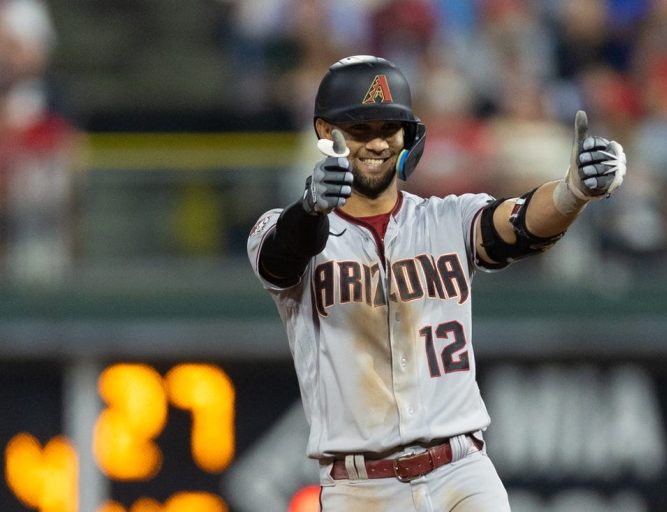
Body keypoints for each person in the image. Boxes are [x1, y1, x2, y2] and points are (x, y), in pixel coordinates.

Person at [247, 55, 626, 511]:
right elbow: (281, 257)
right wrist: (310, 207)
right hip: (359, 487)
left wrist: (573, 191)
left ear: (409, 137)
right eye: (360, 128)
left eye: (389, 128)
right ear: (327, 132)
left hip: (461, 472)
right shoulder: (283, 228)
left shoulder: (447, 218)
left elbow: (520, 222)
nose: (377, 142)